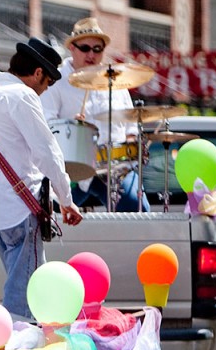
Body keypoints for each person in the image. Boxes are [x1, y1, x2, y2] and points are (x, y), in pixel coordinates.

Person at [0, 37, 83, 320]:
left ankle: (25, 345)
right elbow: (48, 153)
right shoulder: (22, 96)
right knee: (23, 296)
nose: (45, 90)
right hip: (20, 208)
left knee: (28, 286)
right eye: (48, 82)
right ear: (37, 73)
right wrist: (67, 200)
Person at [41, 17, 149, 212]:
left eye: (97, 49)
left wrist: (132, 141)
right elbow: (45, 123)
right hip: (72, 167)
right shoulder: (56, 80)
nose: (91, 54)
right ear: (72, 48)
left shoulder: (115, 80)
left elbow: (131, 123)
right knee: (53, 216)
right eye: (85, 48)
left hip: (113, 166)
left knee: (137, 207)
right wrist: (69, 126)